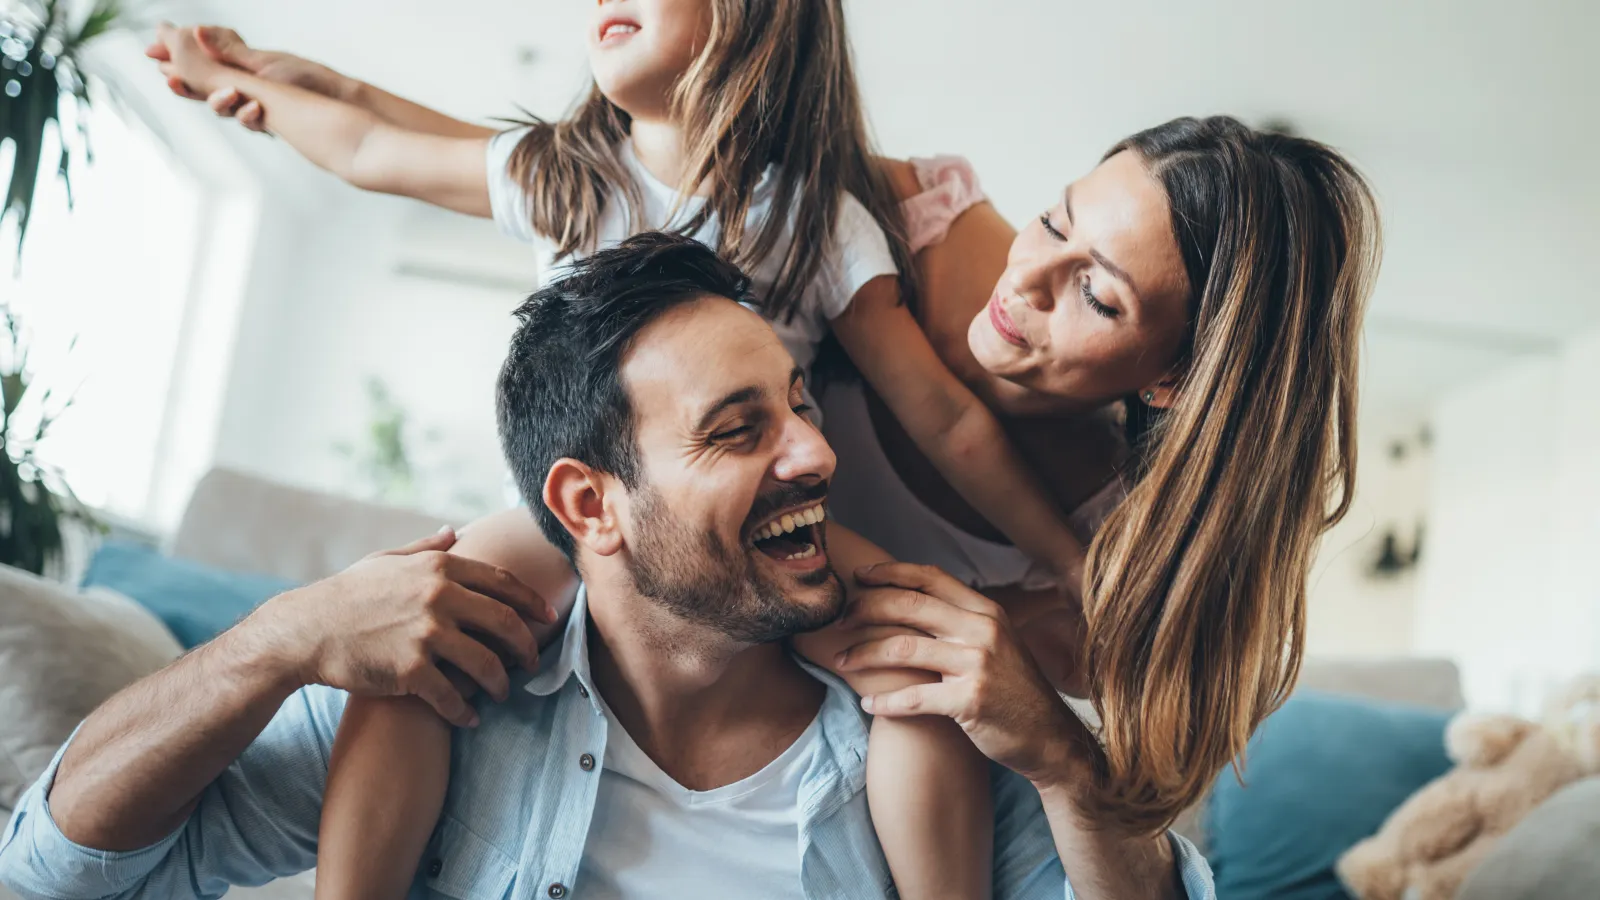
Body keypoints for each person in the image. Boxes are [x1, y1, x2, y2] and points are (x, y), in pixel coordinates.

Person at [157, 11, 1384, 854]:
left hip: (814, 698)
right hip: (651, 595)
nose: (1030, 280)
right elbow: (486, 155)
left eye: (1099, 297)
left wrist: (1052, 661)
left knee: (918, 723)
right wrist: (283, 85)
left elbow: (1133, 774)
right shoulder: (894, 214)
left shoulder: (1120, 550)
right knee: (428, 632)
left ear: (1172, 379)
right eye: (1057, 216)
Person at [0, 235, 1215, 900]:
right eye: (739, 429)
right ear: (591, 505)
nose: (815, 449)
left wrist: (1067, 761)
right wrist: (272, 643)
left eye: (800, 405)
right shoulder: (448, 700)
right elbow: (52, 874)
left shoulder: (927, 731)